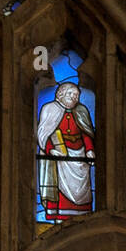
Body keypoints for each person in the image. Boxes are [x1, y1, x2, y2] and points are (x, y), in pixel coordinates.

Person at [37, 81, 95, 219]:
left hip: (79, 155)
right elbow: (44, 134)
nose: (74, 97)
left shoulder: (82, 111)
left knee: (82, 190)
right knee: (58, 184)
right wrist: (50, 150)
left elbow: (86, 133)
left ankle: (82, 217)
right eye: (71, 94)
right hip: (58, 154)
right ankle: (58, 216)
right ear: (60, 94)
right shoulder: (49, 108)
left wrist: (90, 150)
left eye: (76, 95)